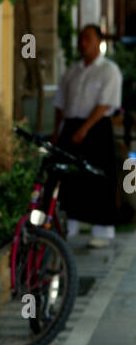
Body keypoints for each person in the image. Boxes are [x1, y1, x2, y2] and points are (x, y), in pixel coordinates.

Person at [52, 23, 122, 248]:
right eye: (81, 38)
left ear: (99, 41)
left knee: (98, 177)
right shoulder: (72, 71)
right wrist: (58, 130)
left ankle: (103, 229)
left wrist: (85, 128)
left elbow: (106, 103)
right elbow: (60, 104)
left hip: (96, 127)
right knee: (69, 177)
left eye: (88, 38)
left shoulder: (109, 70)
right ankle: (69, 224)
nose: (83, 43)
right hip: (71, 125)